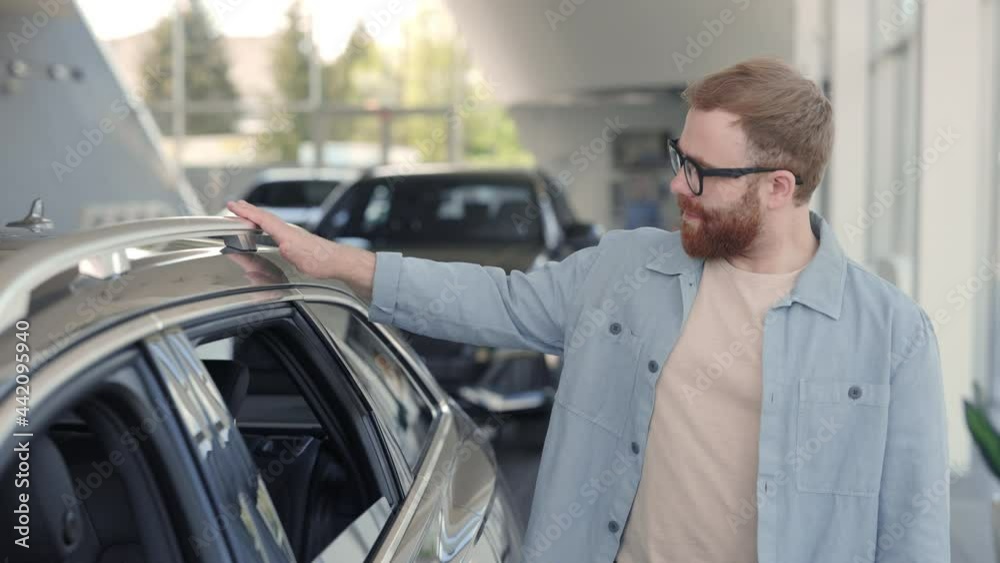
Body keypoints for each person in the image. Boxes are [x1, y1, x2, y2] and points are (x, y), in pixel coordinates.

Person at [227, 58, 949, 563]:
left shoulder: (892, 336)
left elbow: (912, 532)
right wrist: (338, 262)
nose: (676, 184)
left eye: (700, 171)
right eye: (679, 155)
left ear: (779, 186)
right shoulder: (626, 270)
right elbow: (490, 302)